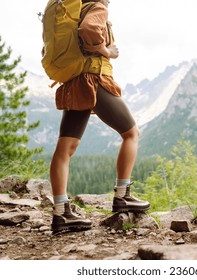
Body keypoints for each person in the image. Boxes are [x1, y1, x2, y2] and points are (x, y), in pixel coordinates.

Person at [50, 0, 150, 234]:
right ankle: (123, 195)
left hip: (75, 81)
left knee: (66, 147)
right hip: (93, 79)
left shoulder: (72, 9)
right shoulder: (97, 7)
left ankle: (61, 213)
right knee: (131, 133)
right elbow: (89, 30)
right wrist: (106, 51)